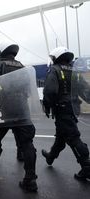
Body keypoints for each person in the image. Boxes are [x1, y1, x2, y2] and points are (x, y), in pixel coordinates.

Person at [0, 41, 38, 192]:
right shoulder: (22, 67)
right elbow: (28, 90)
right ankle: (30, 180)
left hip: (2, 111)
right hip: (21, 110)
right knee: (27, 144)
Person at [42, 46, 90, 181]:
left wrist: (47, 105)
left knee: (73, 137)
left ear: (56, 57)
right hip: (73, 109)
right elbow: (86, 92)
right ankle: (51, 156)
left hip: (62, 109)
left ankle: (86, 166)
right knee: (61, 137)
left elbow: (49, 91)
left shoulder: (55, 70)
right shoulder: (75, 72)